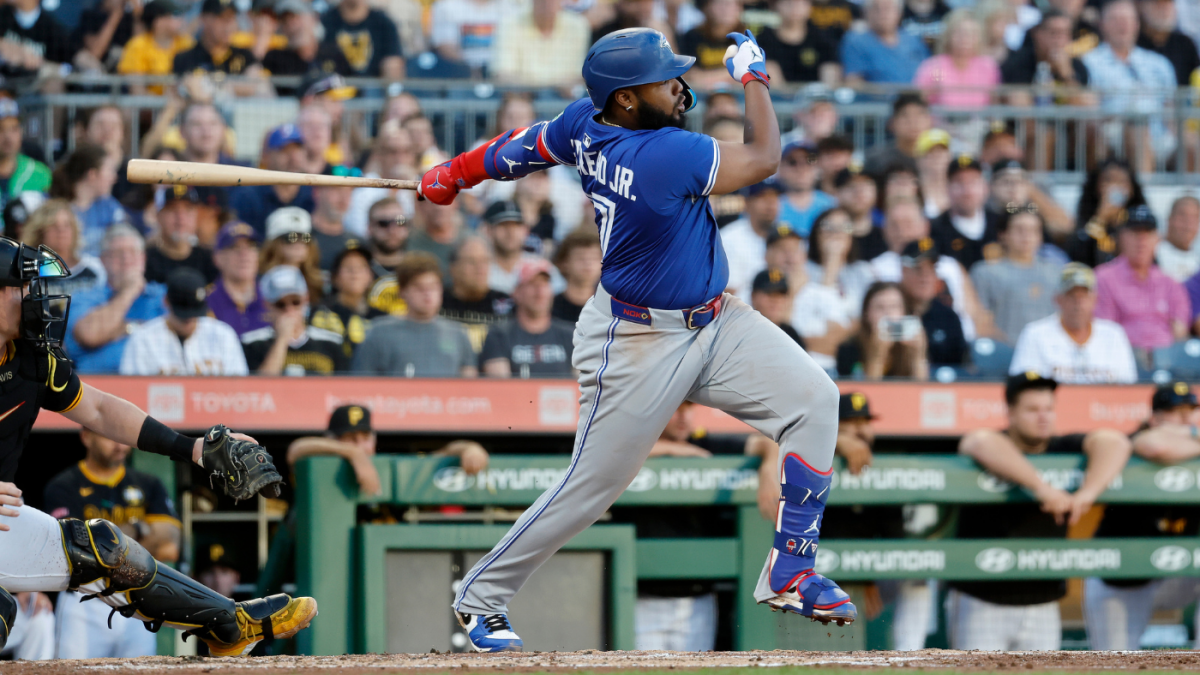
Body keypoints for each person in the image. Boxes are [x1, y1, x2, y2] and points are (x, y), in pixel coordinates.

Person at [418, 27, 857, 650]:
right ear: (625, 99)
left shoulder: (585, 124)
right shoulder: (661, 154)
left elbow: (519, 148)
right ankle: (480, 597)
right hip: (635, 340)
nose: (681, 88)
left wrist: (452, 173)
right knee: (592, 487)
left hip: (716, 320)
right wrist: (756, 78)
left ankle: (791, 568)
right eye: (665, 79)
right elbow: (763, 158)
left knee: (816, 399)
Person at [0, 236, 316, 658]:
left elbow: (97, 409)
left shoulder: (30, 358)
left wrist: (192, 448)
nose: (36, 297)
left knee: (99, 549)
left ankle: (228, 625)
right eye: (23, 287)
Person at [949, 373, 1132, 651]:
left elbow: (1115, 442)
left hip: (1043, 602)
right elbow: (979, 441)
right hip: (983, 599)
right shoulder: (993, 443)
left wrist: (1087, 494)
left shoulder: (1062, 447)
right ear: (1010, 412)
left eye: (1048, 409)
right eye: (1033, 410)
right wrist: (1041, 488)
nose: (1043, 416)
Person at [45, 426, 181, 658]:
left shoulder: (149, 484)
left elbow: (170, 547)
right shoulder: (63, 486)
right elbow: (73, 550)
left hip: (136, 600)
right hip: (84, 602)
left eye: (123, 437)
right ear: (86, 437)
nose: (120, 445)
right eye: (111, 436)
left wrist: (103, 540)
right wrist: (139, 528)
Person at [1085, 381, 1200, 651]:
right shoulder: (1139, 438)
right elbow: (1156, 446)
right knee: (1115, 662)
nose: (1185, 417)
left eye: (1191, 409)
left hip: (1175, 572)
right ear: (1156, 417)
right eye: (1175, 411)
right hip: (1123, 572)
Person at [288, 405, 489, 497]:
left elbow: (441, 455)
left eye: (365, 438)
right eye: (350, 438)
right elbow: (296, 450)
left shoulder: (390, 465)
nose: (359, 445)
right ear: (332, 440)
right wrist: (353, 454)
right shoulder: (317, 465)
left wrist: (471, 448)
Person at [1082, 0, 1177, 166]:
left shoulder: (1159, 63)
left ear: (1137, 24)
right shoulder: (1088, 63)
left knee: (1191, 142)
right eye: (1115, 19)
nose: (1123, 25)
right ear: (1102, 24)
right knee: (1136, 129)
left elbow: (1172, 112)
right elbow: (1090, 112)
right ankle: (1144, 190)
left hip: (1159, 135)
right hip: (1112, 132)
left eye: (1128, 19)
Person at [352, 252, 478, 378]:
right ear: (403, 292)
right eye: (419, 288)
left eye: (433, 287)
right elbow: (362, 384)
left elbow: (470, 387)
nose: (427, 294)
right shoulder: (378, 332)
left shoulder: (458, 334)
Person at [1009, 263, 1138, 383]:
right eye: (1071, 295)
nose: (1078, 303)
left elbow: (1127, 385)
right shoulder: (1035, 333)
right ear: (1058, 299)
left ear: (1095, 300)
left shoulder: (1113, 334)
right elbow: (1023, 385)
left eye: (1084, 296)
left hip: (1101, 406)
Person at [65, 226, 166, 374]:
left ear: (143, 258)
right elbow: (90, 334)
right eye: (118, 254)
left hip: (158, 385)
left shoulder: (162, 296)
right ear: (103, 260)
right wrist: (129, 290)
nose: (126, 259)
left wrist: (115, 330)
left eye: (132, 252)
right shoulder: (84, 297)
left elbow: (178, 337)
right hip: (100, 388)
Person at [1094, 205, 1190, 357]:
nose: (1142, 239)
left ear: (1157, 239)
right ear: (1121, 237)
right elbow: (1105, 332)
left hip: (1166, 361)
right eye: (1135, 233)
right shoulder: (1103, 278)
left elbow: (1180, 333)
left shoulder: (1170, 283)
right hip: (1122, 359)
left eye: (1148, 232)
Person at [120, 268, 247, 376]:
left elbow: (241, 390)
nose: (189, 320)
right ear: (166, 302)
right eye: (183, 315)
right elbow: (130, 395)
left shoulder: (223, 336)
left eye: (194, 313)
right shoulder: (143, 340)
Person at [970, 205, 1061, 345]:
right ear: (1003, 235)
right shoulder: (985, 273)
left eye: (1033, 230)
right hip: (1003, 355)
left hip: (1049, 353)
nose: (1026, 236)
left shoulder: (1056, 273)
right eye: (1019, 229)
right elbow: (980, 321)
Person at [241, 265, 346, 376]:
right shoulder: (252, 343)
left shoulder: (332, 342)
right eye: (280, 304)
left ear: (306, 299)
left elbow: (346, 389)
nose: (289, 309)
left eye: (296, 302)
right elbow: (259, 389)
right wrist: (281, 340)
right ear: (268, 305)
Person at [480, 260, 575, 378]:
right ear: (517, 293)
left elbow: (583, 385)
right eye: (532, 284)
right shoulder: (499, 334)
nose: (539, 292)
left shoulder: (570, 335)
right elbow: (500, 388)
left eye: (545, 284)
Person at [229, 124, 315, 236]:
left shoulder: (313, 195)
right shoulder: (248, 197)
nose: (293, 158)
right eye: (284, 150)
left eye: (297, 149)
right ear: (267, 156)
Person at [310, 242, 387, 362]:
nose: (354, 273)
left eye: (361, 267)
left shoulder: (381, 318)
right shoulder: (321, 312)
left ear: (370, 277)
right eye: (348, 268)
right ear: (335, 277)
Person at [897, 238, 967, 368]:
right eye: (918, 269)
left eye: (932, 269)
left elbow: (960, 368)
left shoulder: (948, 317)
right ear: (903, 271)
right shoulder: (890, 309)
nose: (925, 276)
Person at [837, 281, 929, 379]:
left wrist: (919, 357)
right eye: (880, 307)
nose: (888, 313)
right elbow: (866, 391)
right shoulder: (850, 348)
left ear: (904, 312)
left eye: (894, 306)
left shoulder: (910, 345)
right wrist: (877, 357)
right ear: (867, 314)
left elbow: (922, 389)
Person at [50, 144, 129, 259]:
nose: (114, 178)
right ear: (92, 174)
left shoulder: (110, 207)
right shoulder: (54, 209)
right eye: (110, 171)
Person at [913, 10, 1002, 108]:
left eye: (971, 34)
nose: (965, 39)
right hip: (940, 122)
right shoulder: (935, 67)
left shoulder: (988, 67)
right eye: (959, 33)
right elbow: (921, 101)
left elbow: (995, 104)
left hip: (980, 122)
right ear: (948, 36)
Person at [1070, 158, 1148, 268]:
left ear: (1132, 189)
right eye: (1108, 180)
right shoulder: (1085, 221)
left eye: (1122, 181)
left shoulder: (1141, 221)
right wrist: (1100, 218)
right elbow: (1078, 257)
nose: (1115, 187)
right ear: (1096, 185)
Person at [930, 155, 1003, 271]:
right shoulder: (934, 229)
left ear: (985, 187)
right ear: (947, 188)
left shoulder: (1001, 224)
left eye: (973, 183)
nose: (967, 191)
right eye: (959, 183)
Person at [493, 0, 590, 87]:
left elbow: (580, 76)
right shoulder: (510, 24)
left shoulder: (577, 26)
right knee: (517, 106)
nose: (547, 4)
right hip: (522, 97)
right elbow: (504, 74)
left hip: (565, 97)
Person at [440, 237, 514, 351]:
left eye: (485, 261)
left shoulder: (506, 302)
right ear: (453, 268)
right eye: (471, 261)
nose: (480, 268)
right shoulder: (438, 301)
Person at [20, 200, 106, 296]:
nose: (61, 230)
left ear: (75, 230)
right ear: (40, 232)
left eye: (67, 225)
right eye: (53, 225)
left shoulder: (95, 268)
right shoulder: (29, 273)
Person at [807, 207, 877, 320]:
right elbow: (815, 313)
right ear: (816, 234)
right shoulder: (804, 270)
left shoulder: (863, 270)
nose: (836, 232)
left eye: (845, 227)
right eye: (828, 226)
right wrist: (832, 260)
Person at [841, 0, 930, 85]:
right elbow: (854, 82)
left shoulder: (913, 40)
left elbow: (928, 73)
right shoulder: (856, 41)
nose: (882, 14)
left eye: (887, 8)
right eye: (876, 9)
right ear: (866, 12)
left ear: (899, 12)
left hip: (916, 98)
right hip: (875, 100)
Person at [720, 180, 782, 299]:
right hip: (744, 312)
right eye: (762, 197)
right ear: (747, 203)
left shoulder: (786, 234)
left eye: (775, 197)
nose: (770, 204)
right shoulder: (729, 238)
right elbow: (728, 294)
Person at [262, 0, 351, 83]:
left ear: (313, 18)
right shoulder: (275, 58)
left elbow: (353, 86)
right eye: (284, 20)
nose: (291, 24)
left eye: (295, 17)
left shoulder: (333, 53)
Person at [144, 187, 218, 285]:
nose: (181, 218)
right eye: (172, 210)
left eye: (188, 210)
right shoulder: (144, 261)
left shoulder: (210, 261)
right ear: (158, 216)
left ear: (196, 215)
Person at [207, 222, 269, 338]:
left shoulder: (274, 299)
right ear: (217, 258)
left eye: (251, 246)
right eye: (234, 247)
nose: (244, 254)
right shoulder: (206, 302)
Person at [758, 0, 841, 85]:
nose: (794, 8)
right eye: (788, 3)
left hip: (817, 95)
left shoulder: (823, 39)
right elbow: (773, 83)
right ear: (776, 6)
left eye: (801, 3)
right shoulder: (764, 40)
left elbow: (830, 78)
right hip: (779, 97)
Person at [117, 0, 193, 92]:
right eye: (175, 14)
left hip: (182, 103)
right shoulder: (138, 45)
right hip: (148, 104)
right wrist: (165, 104)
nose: (182, 19)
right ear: (158, 21)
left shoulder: (185, 43)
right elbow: (137, 90)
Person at [173, 0, 261, 79]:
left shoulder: (245, 56)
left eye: (232, 18)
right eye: (222, 18)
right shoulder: (185, 59)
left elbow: (260, 87)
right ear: (204, 19)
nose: (228, 26)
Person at [1001, 10, 1091, 86]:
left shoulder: (1076, 66)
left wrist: (1067, 74)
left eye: (1065, 34)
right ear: (1038, 35)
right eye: (1054, 33)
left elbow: (1087, 104)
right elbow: (1018, 103)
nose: (1058, 41)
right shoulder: (1019, 62)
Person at [0, 100, 50, 231]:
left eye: (14, 128)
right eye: (1, 129)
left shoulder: (40, 172)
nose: (8, 136)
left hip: (27, 247)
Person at [321, 0, 404, 79]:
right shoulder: (324, 23)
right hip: (335, 89)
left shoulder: (384, 24)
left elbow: (393, 65)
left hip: (374, 90)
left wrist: (393, 90)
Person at [679, 0, 747, 89]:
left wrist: (709, 77)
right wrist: (735, 74)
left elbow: (758, 74)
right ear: (707, 7)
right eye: (720, 4)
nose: (726, 9)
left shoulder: (749, 37)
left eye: (732, 5)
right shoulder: (692, 37)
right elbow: (692, 76)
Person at [261, 206, 323, 302]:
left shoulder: (318, 284)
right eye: (291, 237)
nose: (299, 243)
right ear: (274, 243)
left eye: (305, 237)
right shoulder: (261, 282)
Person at [863, 94, 932, 179]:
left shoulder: (938, 160)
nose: (913, 122)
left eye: (919, 115)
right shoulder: (876, 159)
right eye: (905, 116)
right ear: (892, 123)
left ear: (930, 121)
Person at [776, 141, 837, 237]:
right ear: (780, 169)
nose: (801, 168)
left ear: (818, 169)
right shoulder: (771, 207)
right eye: (792, 162)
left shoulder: (832, 205)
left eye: (810, 161)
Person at [429, 0, 503, 78]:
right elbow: (445, 46)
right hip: (459, 74)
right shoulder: (446, 6)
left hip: (501, 74)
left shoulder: (509, 6)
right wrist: (471, 70)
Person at [0, 0, 72, 79]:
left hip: (33, 84)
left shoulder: (52, 28)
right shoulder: (4, 14)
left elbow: (66, 68)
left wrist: (41, 65)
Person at [484, 200, 541, 295]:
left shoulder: (539, 267)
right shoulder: (478, 268)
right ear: (488, 230)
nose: (511, 232)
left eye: (517, 225)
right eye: (503, 225)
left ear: (526, 230)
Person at [1137, 0, 1200, 85]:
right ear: (1143, 7)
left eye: (1168, 4)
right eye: (1158, 5)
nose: (1164, 10)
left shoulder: (1185, 44)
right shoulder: (1134, 42)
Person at [310, 167, 357, 272]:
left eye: (349, 191)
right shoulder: (299, 238)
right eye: (337, 189)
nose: (343, 197)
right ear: (317, 192)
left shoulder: (358, 244)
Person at [552, 228, 603, 324]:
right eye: (581, 257)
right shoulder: (549, 306)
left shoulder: (611, 308)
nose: (588, 263)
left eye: (594, 258)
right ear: (564, 263)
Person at [836, 167, 887, 261]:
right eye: (851, 186)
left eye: (865, 186)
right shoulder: (828, 236)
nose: (859, 193)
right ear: (838, 194)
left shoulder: (887, 236)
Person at [749, 268, 807, 348]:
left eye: (781, 294)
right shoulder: (741, 330)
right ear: (753, 296)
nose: (776, 300)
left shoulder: (791, 334)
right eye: (769, 293)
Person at [1155, 196, 1200, 283]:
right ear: (1169, 219)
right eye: (1183, 215)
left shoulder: (1196, 263)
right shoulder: (1152, 253)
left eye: (1194, 217)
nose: (1188, 223)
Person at [364, 197, 409, 277]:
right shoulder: (358, 271)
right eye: (384, 223)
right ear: (369, 228)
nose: (392, 230)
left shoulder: (417, 269)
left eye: (400, 221)